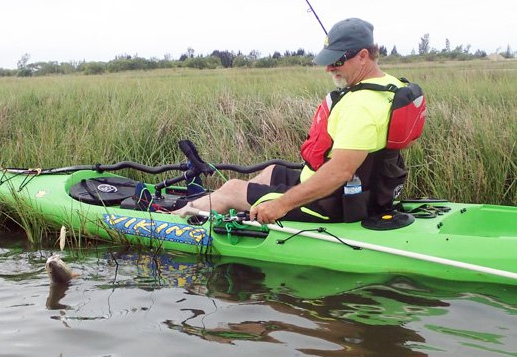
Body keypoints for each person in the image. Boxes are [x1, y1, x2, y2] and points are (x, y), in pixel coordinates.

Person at [176, 17, 411, 225]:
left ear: (363, 56)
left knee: (231, 189)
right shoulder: (391, 86)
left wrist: (281, 206)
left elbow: (339, 172)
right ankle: (242, 214)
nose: (329, 68)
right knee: (272, 172)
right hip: (367, 190)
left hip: (333, 202)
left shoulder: (360, 106)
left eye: (337, 61)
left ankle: (173, 220)